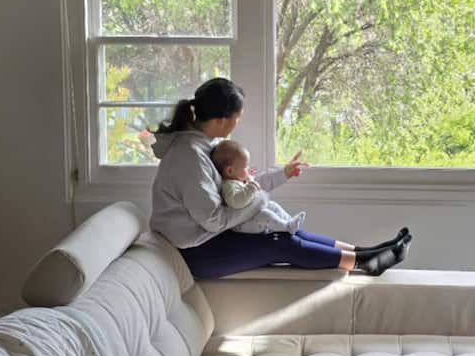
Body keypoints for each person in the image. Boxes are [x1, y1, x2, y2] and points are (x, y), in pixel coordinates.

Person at [149, 77, 411, 279]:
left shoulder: (203, 146)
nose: (238, 123)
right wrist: (259, 199)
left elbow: (231, 195)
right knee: (279, 243)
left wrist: (271, 180)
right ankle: (363, 264)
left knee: (289, 229)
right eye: (237, 118)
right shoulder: (190, 157)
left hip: (206, 238)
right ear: (220, 120)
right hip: (196, 251)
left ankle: (363, 252)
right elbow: (214, 220)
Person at [211, 139, 304, 234]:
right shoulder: (228, 186)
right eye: (245, 167)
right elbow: (235, 202)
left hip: (253, 215)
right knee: (266, 215)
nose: (248, 168)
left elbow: (263, 181)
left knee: (273, 205)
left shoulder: (240, 181)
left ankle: (289, 221)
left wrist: (248, 181)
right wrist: (250, 188)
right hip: (244, 224)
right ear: (230, 171)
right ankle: (287, 227)